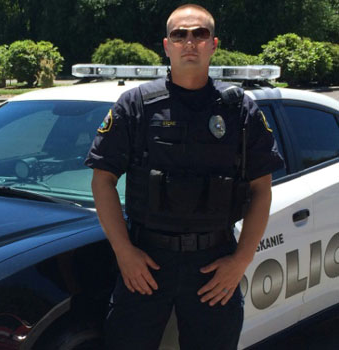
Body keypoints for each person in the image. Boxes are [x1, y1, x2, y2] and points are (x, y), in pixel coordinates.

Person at [85, 4, 284, 349]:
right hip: (146, 262)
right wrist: (124, 252)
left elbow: (261, 191)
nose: (189, 42)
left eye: (199, 34)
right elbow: (102, 180)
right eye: (180, 35)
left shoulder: (240, 109)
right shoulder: (135, 105)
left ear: (213, 44)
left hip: (214, 266)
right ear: (166, 45)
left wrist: (240, 262)